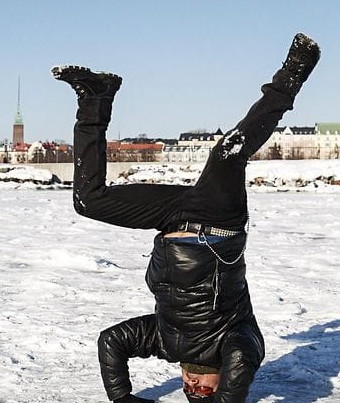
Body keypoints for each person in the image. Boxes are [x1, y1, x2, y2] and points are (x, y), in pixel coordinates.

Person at [52, 33, 320, 403]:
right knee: (228, 152)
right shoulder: (238, 343)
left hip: (169, 220)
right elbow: (241, 362)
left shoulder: (163, 342)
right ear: (223, 383)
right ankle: (292, 75)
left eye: (187, 390)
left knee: (88, 201)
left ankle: (96, 98)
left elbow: (111, 341)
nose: (193, 386)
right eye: (203, 392)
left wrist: (122, 398)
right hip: (218, 220)